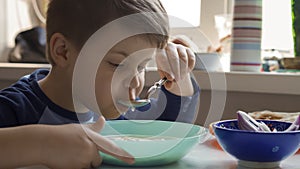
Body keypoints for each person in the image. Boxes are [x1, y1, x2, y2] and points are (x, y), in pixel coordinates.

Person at [0, 0, 199, 168]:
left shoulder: (117, 108)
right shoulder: (17, 108)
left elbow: (170, 129)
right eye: (118, 64)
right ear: (63, 51)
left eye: (141, 66)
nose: (135, 82)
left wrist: (179, 76)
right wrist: (43, 144)